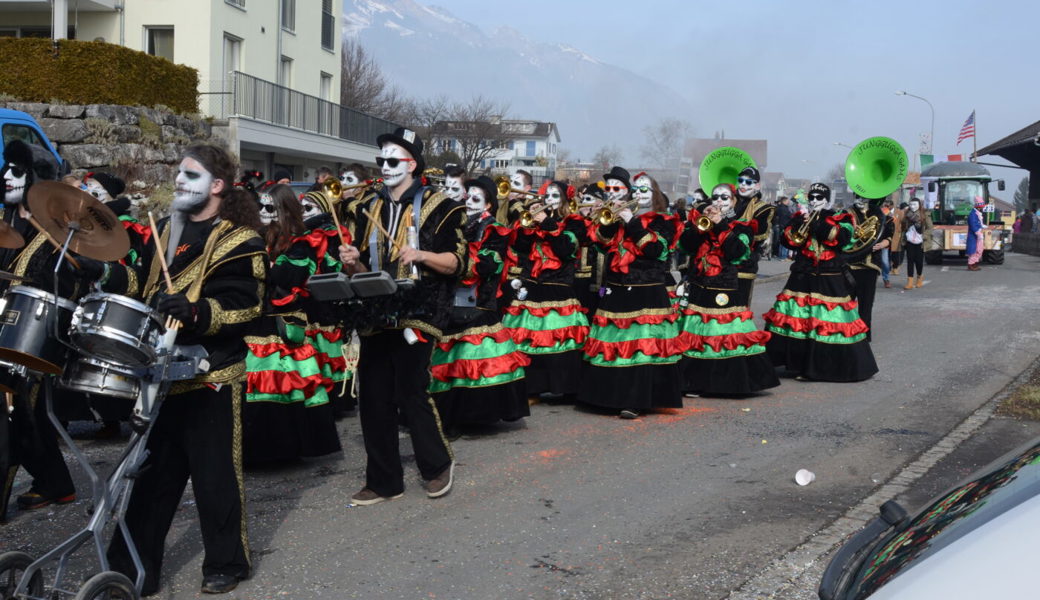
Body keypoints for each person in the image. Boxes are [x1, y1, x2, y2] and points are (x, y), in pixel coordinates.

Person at [106, 143, 266, 595]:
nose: (178, 180)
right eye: (179, 173)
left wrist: (197, 312)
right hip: (159, 371)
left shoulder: (241, 241)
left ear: (217, 186)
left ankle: (226, 563)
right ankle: (132, 569)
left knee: (215, 474)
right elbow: (139, 284)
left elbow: (248, 306)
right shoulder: (164, 231)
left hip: (211, 373)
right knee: (152, 476)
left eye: (190, 174)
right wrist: (101, 274)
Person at [338, 127, 462, 504]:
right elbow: (363, 271)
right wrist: (353, 262)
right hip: (377, 310)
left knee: (410, 391)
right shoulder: (368, 207)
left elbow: (458, 262)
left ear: (412, 164)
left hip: (421, 307)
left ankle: (436, 465)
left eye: (393, 160)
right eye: (381, 160)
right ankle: (383, 481)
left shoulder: (441, 205)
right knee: (374, 396)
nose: (385, 166)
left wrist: (421, 255)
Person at [0, 140, 83, 515]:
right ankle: (53, 482)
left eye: (17, 170)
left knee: (26, 411)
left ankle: (54, 483)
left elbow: (69, 285)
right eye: (6, 167)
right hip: (7, 322)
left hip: (36, 330)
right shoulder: (8, 221)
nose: (6, 175)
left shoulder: (56, 228)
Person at [242, 184, 342, 464]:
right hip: (255, 322)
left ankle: (284, 449)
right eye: (260, 206)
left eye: (269, 207)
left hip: (284, 326)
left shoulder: (300, 242)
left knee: (286, 381)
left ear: (283, 210)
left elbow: (287, 276)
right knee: (255, 382)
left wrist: (266, 268)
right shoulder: (255, 237)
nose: (263, 212)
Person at [579, 167, 683, 418]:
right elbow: (601, 244)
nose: (639, 193)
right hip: (617, 289)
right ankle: (606, 397)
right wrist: (611, 218)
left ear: (654, 193)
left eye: (645, 188)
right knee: (613, 344)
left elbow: (656, 251)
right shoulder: (620, 216)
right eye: (636, 189)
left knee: (641, 347)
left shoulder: (664, 221)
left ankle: (636, 400)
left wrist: (632, 222)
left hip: (647, 292)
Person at [429, 175, 529, 432]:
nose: (469, 201)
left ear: (488, 205)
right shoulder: (456, 224)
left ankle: (469, 417)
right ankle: (445, 416)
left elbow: (488, 264)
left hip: (478, 304)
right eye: (468, 196)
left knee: (470, 359)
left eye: (476, 198)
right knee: (448, 361)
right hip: (449, 303)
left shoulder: (495, 229)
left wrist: (455, 260)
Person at [763, 183, 877, 382]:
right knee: (797, 318)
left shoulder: (839, 217)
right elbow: (788, 241)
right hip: (803, 274)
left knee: (827, 320)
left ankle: (823, 367)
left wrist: (817, 223)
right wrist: (799, 224)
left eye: (819, 197)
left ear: (826, 199)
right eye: (812, 197)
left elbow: (842, 239)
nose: (814, 201)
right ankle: (798, 364)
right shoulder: (800, 217)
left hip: (828, 276)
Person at [677, 183, 779, 396]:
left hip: (725, 286)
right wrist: (698, 226)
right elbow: (685, 246)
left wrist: (720, 224)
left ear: (733, 201)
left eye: (724, 197)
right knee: (697, 333)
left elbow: (738, 253)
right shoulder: (701, 221)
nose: (718, 201)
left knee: (722, 333)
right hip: (699, 285)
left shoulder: (743, 226)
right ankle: (694, 381)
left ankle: (725, 383)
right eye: (715, 197)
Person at [502, 180, 589, 399]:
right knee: (529, 338)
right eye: (546, 196)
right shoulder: (534, 221)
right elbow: (519, 248)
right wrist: (527, 226)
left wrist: (548, 223)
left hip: (559, 287)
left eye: (555, 195)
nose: (549, 199)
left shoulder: (574, 222)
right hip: (532, 285)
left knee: (559, 339)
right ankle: (532, 388)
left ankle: (565, 388)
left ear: (565, 200)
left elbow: (567, 250)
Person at [845, 193, 893, 340]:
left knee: (866, 304)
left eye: (863, 197)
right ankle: (845, 333)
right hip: (849, 264)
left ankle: (864, 336)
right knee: (845, 302)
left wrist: (884, 243)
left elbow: (889, 234)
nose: (860, 200)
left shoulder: (879, 215)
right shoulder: (847, 214)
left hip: (869, 265)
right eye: (857, 197)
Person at [900, 197, 932, 288]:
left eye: (914, 204)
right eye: (911, 204)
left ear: (919, 205)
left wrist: (923, 236)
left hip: (920, 241)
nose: (912, 206)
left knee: (919, 261)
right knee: (910, 260)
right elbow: (903, 225)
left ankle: (919, 277)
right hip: (909, 240)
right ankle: (910, 281)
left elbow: (930, 228)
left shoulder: (924, 214)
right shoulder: (907, 214)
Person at [967, 196, 986, 271]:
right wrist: (977, 232)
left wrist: (982, 226)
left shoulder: (976, 213)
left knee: (979, 249)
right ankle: (971, 264)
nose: (982, 208)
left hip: (977, 234)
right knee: (973, 250)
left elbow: (977, 223)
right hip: (974, 235)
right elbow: (973, 224)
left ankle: (974, 263)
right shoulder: (973, 214)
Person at [890, 202, 907, 275]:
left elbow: (903, 223)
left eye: (888, 205)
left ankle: (895, 268)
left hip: (896, 235)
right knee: (887, 254)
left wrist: (900, 230)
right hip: (886, 235)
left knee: (895, 253)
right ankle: (889, 268)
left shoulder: (899, 212)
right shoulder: (884, 212)